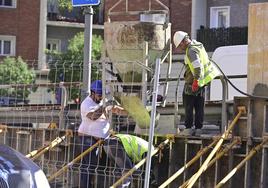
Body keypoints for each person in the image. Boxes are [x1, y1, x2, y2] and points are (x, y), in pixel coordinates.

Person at [78, 80, 125, 188]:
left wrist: (129, 111)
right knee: (90, 166)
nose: (101, 98)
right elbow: (93, 116)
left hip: (101, 140)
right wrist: (105, 106)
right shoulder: (87, 103)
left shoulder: (102, 102)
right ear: (92, 93)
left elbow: (116, 109)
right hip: (87, 138)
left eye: (102, 95)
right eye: (99, 95)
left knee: (100, 167)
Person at [173, 31, 220, 136]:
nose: (180, 48)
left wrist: (195, 81)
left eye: (180, 46)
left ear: (182, 42)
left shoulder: (191, 51)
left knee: (188, 104)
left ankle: (188, 128)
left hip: (194, 81)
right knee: (199, 105)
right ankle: (199, 129)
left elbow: (197, 67)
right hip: (203, 81)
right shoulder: (197, 44)